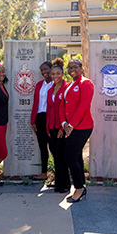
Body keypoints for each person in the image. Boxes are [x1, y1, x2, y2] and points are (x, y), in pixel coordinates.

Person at [59, 58, 93, 203]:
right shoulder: (69, 84)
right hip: (70, 126)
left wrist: (71, 124)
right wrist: (64, 123)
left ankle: (78, 188)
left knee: (70, 157)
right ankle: (81, 186)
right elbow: (62, 105)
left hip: (82, 127)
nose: (71, 69)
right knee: (76, 157)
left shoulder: (86, 83)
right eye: (69, 67)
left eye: (75, 67)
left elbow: (84, 106)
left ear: (81, 67)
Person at [46, 60, 69, 193]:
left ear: (62, 73)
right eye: (53, 74)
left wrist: (62, 128)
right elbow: (49, 110)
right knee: (55, 155)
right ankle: (58, 181)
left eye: (58, 73)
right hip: (52, 128)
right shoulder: (50, 89)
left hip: (62, 128)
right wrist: (49, 128)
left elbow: (67, 109)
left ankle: (65, 184)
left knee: (61, 156)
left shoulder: (66, 88)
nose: (55, 76)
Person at [30, 61, 54, 181]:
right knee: (42, 147)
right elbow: (36, 104)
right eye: (42, 70)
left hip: (52, 119)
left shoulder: (57, 84)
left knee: (54, 148)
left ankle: (58, 174)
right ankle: (44, 173)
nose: (44, 72)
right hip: (40, 118)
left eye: (46, 69)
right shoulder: (40, 85)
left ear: (52, 69)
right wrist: (33, 121)